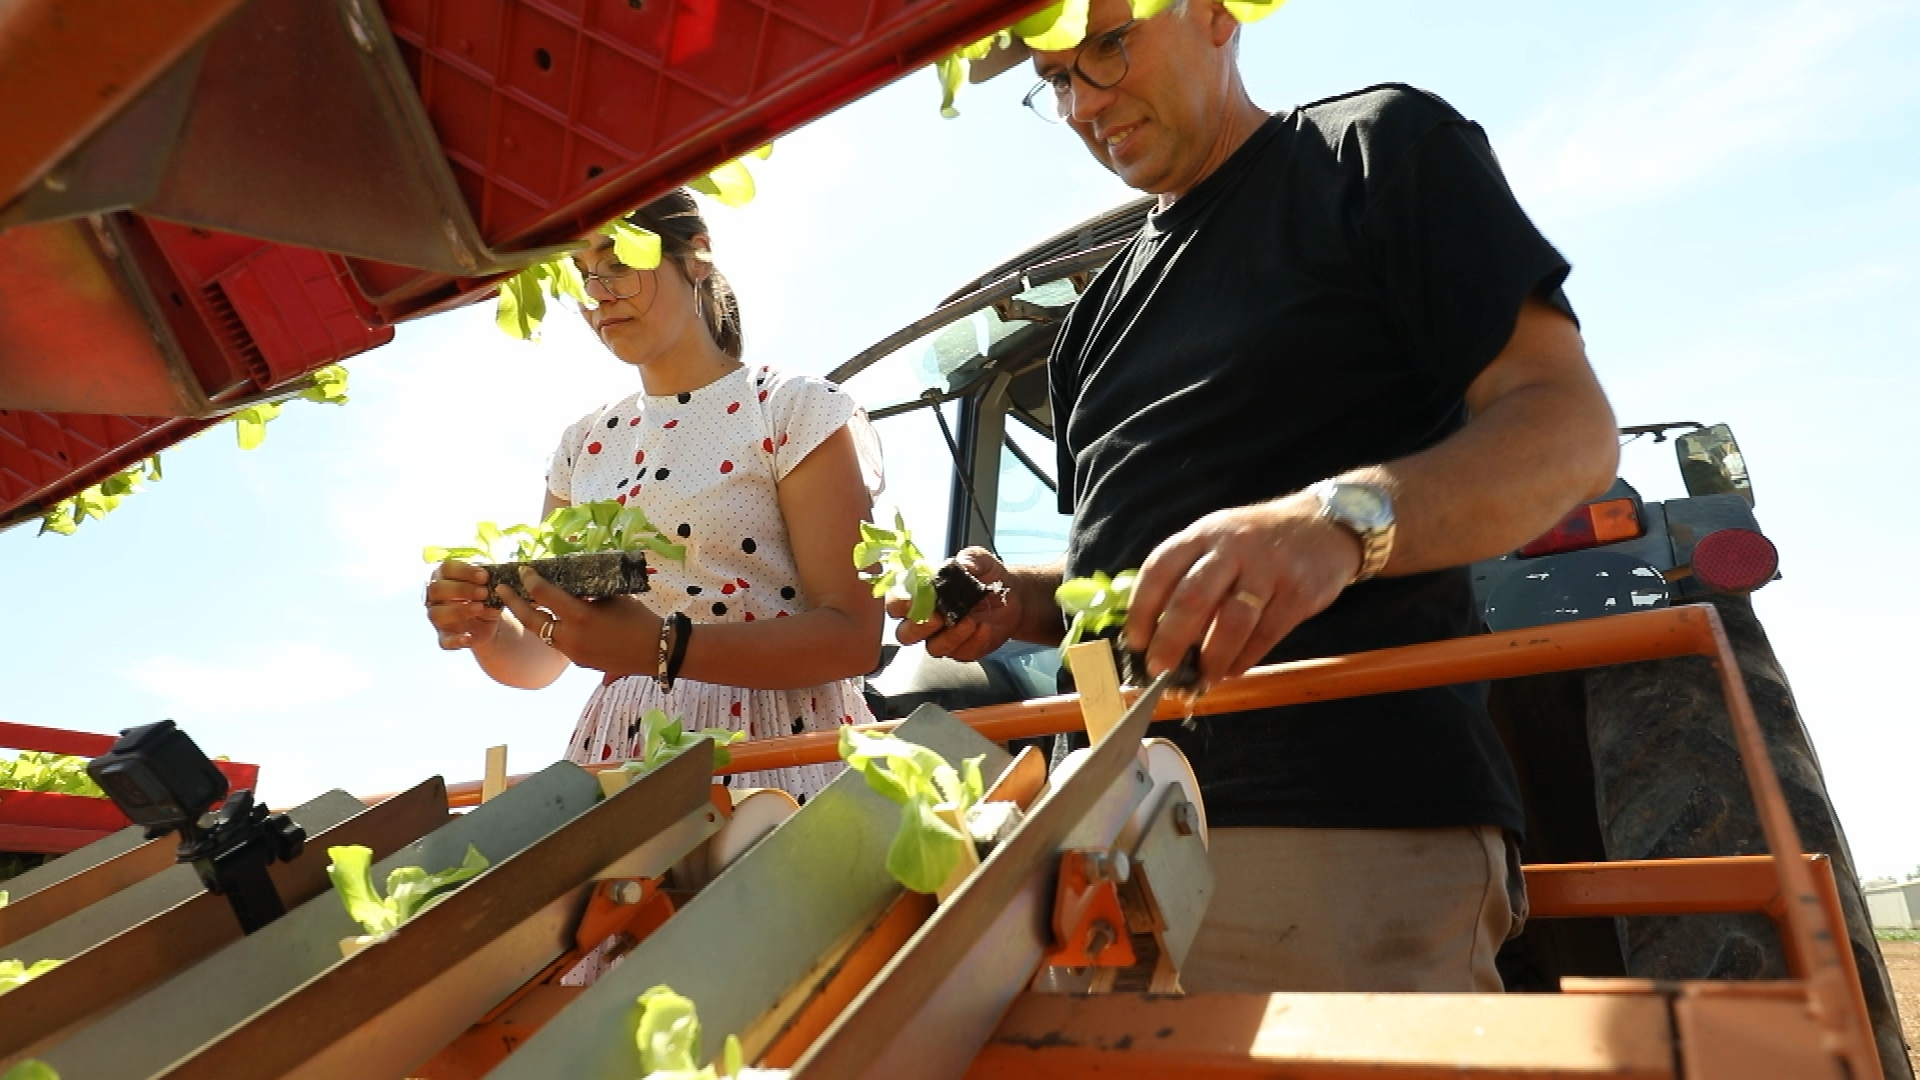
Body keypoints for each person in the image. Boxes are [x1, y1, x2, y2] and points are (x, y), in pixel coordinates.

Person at [896, 0, 1620, 993]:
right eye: (1057, 79)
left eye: (1108, 47)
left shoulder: (1371, 152)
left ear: (1213, 14)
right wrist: (1018, 597)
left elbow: (1567, 431)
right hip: (1099, 846)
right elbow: (1140, 574)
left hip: (1328, 820)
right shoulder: (1091, 326)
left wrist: (1333, 524)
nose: (1082, 104)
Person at [424, 190, 886, 804]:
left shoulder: (789, 406)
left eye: (619, 264)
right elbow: (542, 658)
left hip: (775, 746)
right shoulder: (582, 444)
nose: (599, 293)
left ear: (696, 258)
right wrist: (484, 627)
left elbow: (853, 634)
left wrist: (663, 648)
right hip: (623, 749)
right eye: (584, 277)